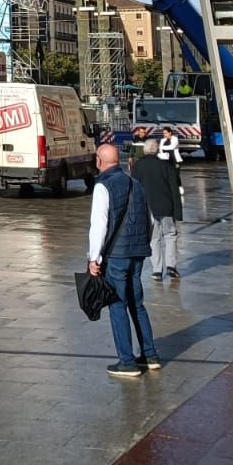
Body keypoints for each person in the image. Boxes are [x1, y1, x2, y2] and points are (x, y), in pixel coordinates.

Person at [87, 142, 161, 378]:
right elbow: (150, 220)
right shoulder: (135, 184)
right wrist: (143, 245)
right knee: (137, 304)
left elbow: (99, 225)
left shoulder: (103, 186)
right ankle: (150, 356)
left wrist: (93, 257)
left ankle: (127, 362)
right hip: (138, 253)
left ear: (100, 160)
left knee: (117, 304)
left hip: (116, 255)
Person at [132, 140, 182, 283]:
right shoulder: (166, 166)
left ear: (145, 150)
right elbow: (174, 190)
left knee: (154, 239)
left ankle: (157, 270)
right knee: (170, 235)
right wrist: (178, 212)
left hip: (148, 208)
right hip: (166, 207)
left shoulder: (137, 167)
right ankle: (171, 265)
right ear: (157, 150)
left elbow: (134, 190)